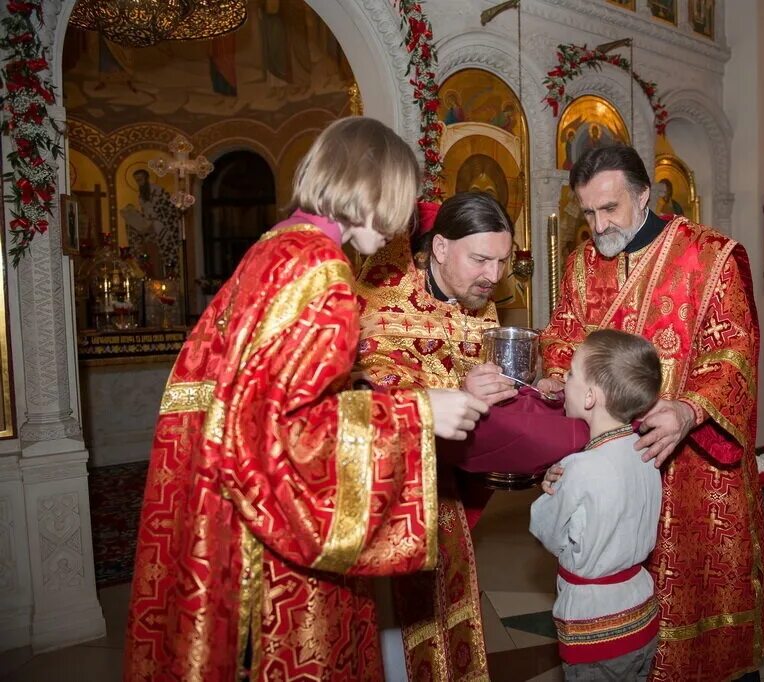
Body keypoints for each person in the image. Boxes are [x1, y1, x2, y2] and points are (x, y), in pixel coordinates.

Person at [122, 117, 489, 682]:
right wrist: (421, 412)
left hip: (227, 511)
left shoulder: (277, 248)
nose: (404, 223)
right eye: (404, 200)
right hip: (277, 545)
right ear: (373, 188)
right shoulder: (321, 272)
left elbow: (252, 397)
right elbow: (288, 430)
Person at [537, 145, 764, 681]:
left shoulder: (709, 256)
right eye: (588, 212)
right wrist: (557, 374)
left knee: (702, 603)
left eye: (610, 208)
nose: (598, 226)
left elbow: (734, 351)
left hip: (693, 468)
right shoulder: (583, 264)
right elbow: (562, 332)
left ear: (645, 194)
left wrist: (691, 410)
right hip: (610, 463)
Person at [353, 191, 518, 680]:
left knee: (449, 618)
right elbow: (372, 390)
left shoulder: (482, 309)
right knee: (396, 640)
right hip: (388, 500)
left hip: (444, 500)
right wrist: (458, 390)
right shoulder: (384, 297)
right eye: (481, 259)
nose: (492, 275)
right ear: (441, 248)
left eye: (502, 261)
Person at [531, 329, 663, 681]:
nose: (565, 380)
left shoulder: (579, 467)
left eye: (571, 373)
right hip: (641, 610)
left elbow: (545, 530)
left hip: (594, 624)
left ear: (590, 396)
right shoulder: (647, 453)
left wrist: (550, 492)